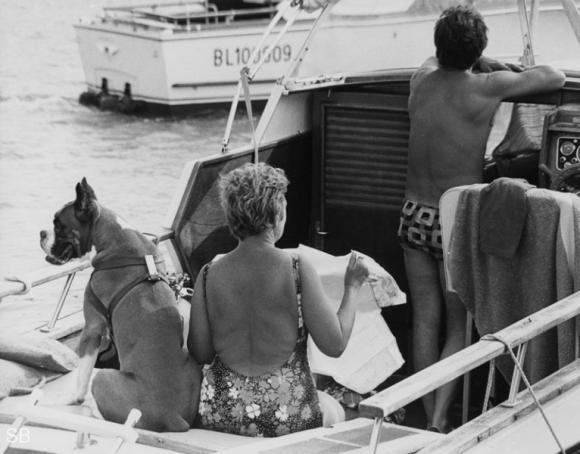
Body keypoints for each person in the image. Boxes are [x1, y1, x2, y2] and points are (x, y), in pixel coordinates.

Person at [398, 5, 565, 433]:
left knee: (424, 318)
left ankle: (420, 409)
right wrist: (488, 64)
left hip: (413, 213)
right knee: (458, 324)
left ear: (438, 45)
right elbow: (555, 77)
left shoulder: (420, 79)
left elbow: (435, 61)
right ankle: (438, 422)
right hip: (453, 215)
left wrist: (471, 60)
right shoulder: (487, 86)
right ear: (478, 52)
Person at [188, 162, 368, 437]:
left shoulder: (209, 274)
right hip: (287, 415)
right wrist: (352, 286)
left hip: (221, 411)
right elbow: (335, 344)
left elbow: (201, 354)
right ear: (277, 213)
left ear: (231, 217)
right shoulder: (297, 268)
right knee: (337, 408)